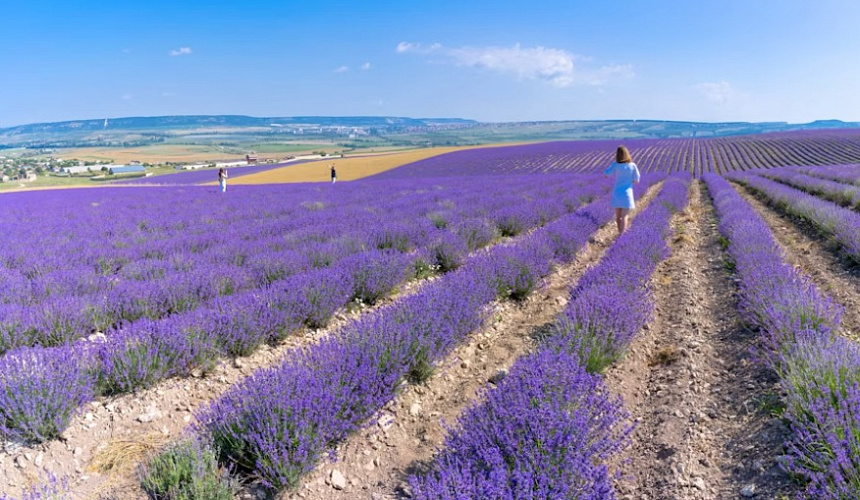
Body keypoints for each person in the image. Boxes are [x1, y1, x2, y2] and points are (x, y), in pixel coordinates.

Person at [604, 146, 641, 234]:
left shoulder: (615, 164)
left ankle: (620, 233)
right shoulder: (632, 165)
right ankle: (622, 235)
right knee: (625, 216)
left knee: (618, 217)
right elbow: (637, 180)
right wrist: (630, 180)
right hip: (627, 194)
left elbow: (606, 174)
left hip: (617, 193)